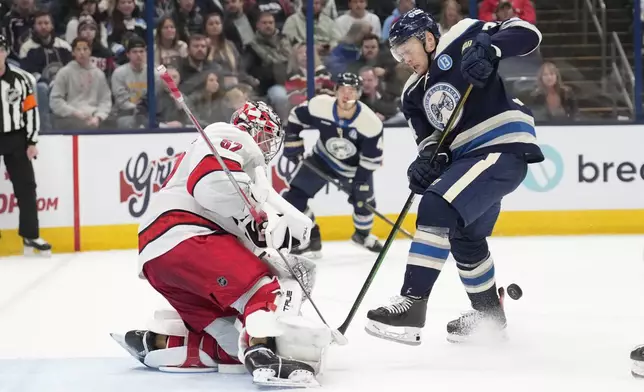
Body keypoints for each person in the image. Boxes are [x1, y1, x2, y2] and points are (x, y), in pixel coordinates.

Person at [111, 101, 331, 388]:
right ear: (253, 129)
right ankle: (265, 361)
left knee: (230, 341)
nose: (267, 145)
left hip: (157, 256)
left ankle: (161, 344)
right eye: (266, 134)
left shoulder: (239, 166)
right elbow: (210, 182)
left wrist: (264, 235)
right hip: (188, 237)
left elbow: (234, 214)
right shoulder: (229, 135)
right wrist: (254, 215)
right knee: (263, 292)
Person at [364, 9, 544, 345]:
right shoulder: (411, 94)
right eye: (398, 54)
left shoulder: (462, 35)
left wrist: (491, 48)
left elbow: (528, 33)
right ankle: (489, 315)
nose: (404, 59)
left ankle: (412, 305)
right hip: (469, 161)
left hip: (500, 147)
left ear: (429, 39)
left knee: (436, 205)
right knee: (465, 237)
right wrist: (425, 165)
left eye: (408, 50)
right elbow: (433, 146)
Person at [281, 72, 384, 258]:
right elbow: (296, 116)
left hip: (355, 169)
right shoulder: (321, 105)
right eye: (342, 89)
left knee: (364, 204)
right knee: (293, 198)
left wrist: (359, 184)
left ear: (360, 94)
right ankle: (312, 238)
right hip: (322, 159)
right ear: (335, 90)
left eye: (352, 90)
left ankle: (362, 235)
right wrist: (292, 142)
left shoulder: (370, 123)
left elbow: (370, 160)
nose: (346, 94)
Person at [0, 34, 51, 256]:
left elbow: (30, 111)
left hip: (16, 138)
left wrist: (31, 141)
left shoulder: (22, 79)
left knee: (26, 188)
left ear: (6, 52)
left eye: (0, 49)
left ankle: (30, 235)